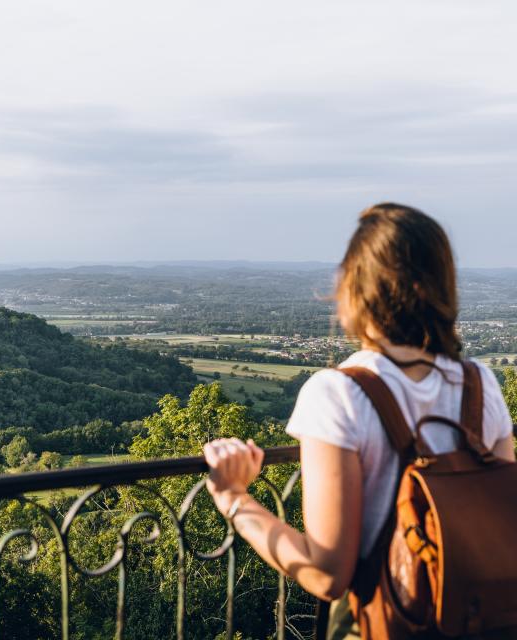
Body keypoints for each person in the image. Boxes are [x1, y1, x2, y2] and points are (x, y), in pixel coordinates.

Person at [203, 203, 515, 639]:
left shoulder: (337, 393)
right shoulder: (480, 384)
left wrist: (235, 500)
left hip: (382, 622)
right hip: (478, 618)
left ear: (357, 289)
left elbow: (327, 573)